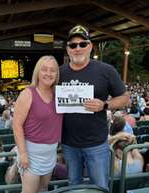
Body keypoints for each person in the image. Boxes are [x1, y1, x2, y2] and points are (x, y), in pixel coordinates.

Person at [59, 25, 130, 190]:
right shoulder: (59, 72)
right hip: (69, 143)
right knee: (73, 186)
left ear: (90, 47)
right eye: (73, 45)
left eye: (82, 44)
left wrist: (105, 104)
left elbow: (125, 98)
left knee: (100, 186)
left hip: (96, 143)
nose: (78, 48)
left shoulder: (106, 70)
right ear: (68, 49)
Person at [13, 55, 63, 193]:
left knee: (43, 189)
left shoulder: (59, 95)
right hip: (31, 154)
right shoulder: (28, 94)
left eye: (53, 70)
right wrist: (23, 154)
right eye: (44, 69)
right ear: (37, 72)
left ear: (57, 74)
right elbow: (16, 125)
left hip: (50, 153)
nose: (48, 73)